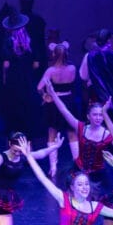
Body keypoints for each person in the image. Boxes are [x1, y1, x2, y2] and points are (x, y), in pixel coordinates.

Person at [36, 41, 79, 180]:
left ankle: (53, 167)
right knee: (72, 133)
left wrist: (45, 95)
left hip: (55, 102)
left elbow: (39, 87)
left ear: (54, 55)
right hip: (69, 102)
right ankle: (78, 166)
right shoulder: (72, 68)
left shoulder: (51, 70)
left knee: (52, 133)